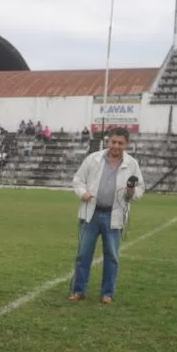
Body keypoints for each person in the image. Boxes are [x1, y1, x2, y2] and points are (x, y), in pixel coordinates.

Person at [67, 128, 145, 304]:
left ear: (127, 144)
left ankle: (107, 293)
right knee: (83, 255)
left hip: (114, 216)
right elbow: (78, 180)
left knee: (111, 256)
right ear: (108, 141)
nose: (116, 146)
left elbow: (140, 189)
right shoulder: (93, 159)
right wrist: (83, 193)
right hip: (91, 213)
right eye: (113, 142)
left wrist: (131, 192)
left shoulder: (132, 164)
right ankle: (78, 291)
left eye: (120, 143)